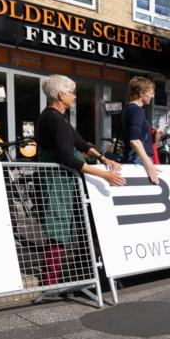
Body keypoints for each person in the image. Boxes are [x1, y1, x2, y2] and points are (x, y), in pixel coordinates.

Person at [34, 74, 123, 286]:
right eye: (72, 93)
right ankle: (51, 282)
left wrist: (103, 158)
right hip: (57, 181)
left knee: (77, 224)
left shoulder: (57, 117)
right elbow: (67, 155)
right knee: (59, 229)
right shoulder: (54, 119)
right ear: (61, 94)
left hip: (63, 180)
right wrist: (104, 174)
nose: (75, 96)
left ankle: (80, 271)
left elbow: (80, 142)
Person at [120, 76, 158, 184]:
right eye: (151, 92)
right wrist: (150, 166)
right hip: (138, 160)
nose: (153, 95)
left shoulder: (127, 109)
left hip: (133, 157)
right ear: (141, 93)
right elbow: (134, 140)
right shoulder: (137, 110)